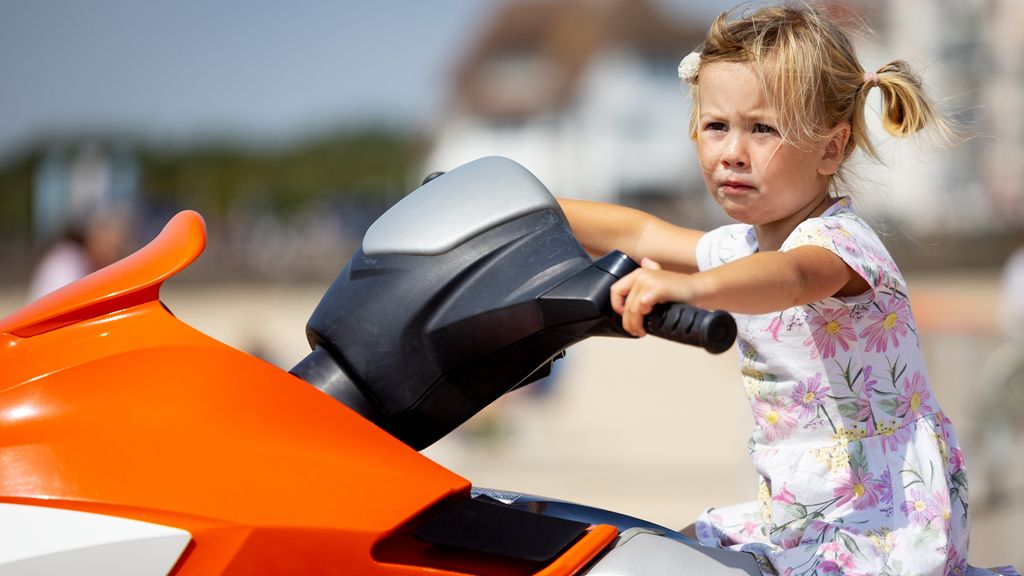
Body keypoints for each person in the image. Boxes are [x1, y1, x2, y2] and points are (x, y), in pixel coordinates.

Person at [559, 4, 1018, 576]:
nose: (732, 152)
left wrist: (692, 286)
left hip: (880, 519)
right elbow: (639, 230)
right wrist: (517, 204)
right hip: (798, 509)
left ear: (831, 148)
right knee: (645, 553)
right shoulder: (743, 245)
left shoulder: (840, 243)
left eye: (762, 129)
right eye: (716, 126)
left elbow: (793, 279)